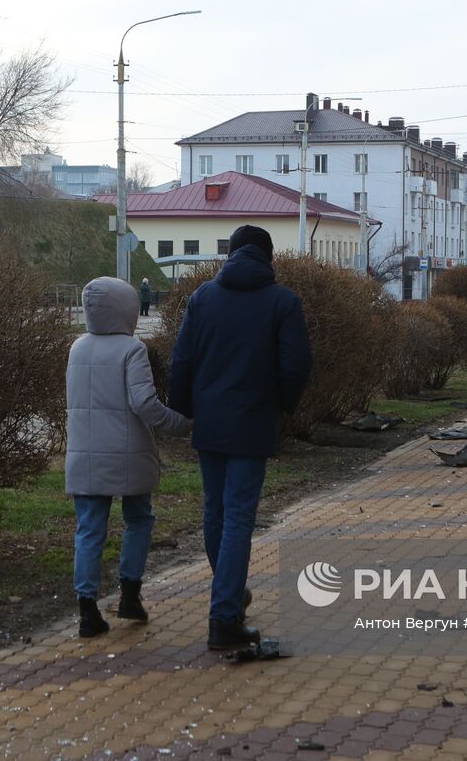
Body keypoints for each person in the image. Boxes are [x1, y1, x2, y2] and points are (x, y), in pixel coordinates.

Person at [169, 225, 312, 650]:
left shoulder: (202, 298)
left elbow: (182, 360)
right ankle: (225, 615)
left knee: (216, 514)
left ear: (230, 254)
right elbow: (296, 365)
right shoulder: (283, 302)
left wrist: (184, 410)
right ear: (268, 257)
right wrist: (283, 406)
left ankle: (229, 595)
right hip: (252, 422)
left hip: (210, 423)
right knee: (237, 519)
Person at [65, 277, 191, 638]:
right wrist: (180, 424)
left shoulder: (77, 348)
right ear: (127, 308)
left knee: (89, 529)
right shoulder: (131, 349)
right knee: (138, 519)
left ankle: (87, 611)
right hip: (128, 452)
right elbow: (145, 405)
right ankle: (130, 595)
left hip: (85, 455)